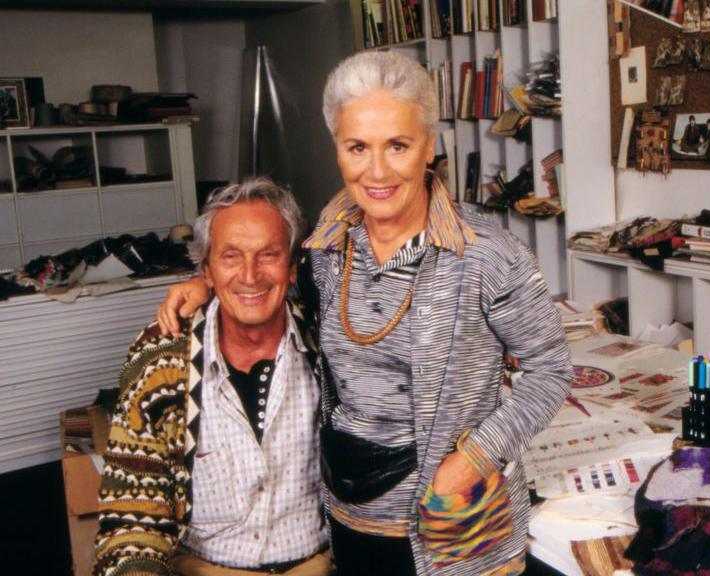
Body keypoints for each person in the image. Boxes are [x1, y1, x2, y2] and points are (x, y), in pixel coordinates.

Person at [157, 51, 573, 576]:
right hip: (352, 519)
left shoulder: (489, 254)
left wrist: (473, 459)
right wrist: (204, 283)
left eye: (397, 145)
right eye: (358, 147)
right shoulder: (327, 251)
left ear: (428, 146)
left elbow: (551, 370)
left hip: (455, 525)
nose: (376, 171)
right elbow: (263, 280)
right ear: (338, 150)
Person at [93, 179, 331, 576]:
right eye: (231, 257)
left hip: (314, 566)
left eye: (268, 255)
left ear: (292, 268)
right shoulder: (162, 357)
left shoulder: (328, 344)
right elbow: (131, 515)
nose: (250, 275)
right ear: (207, 269)